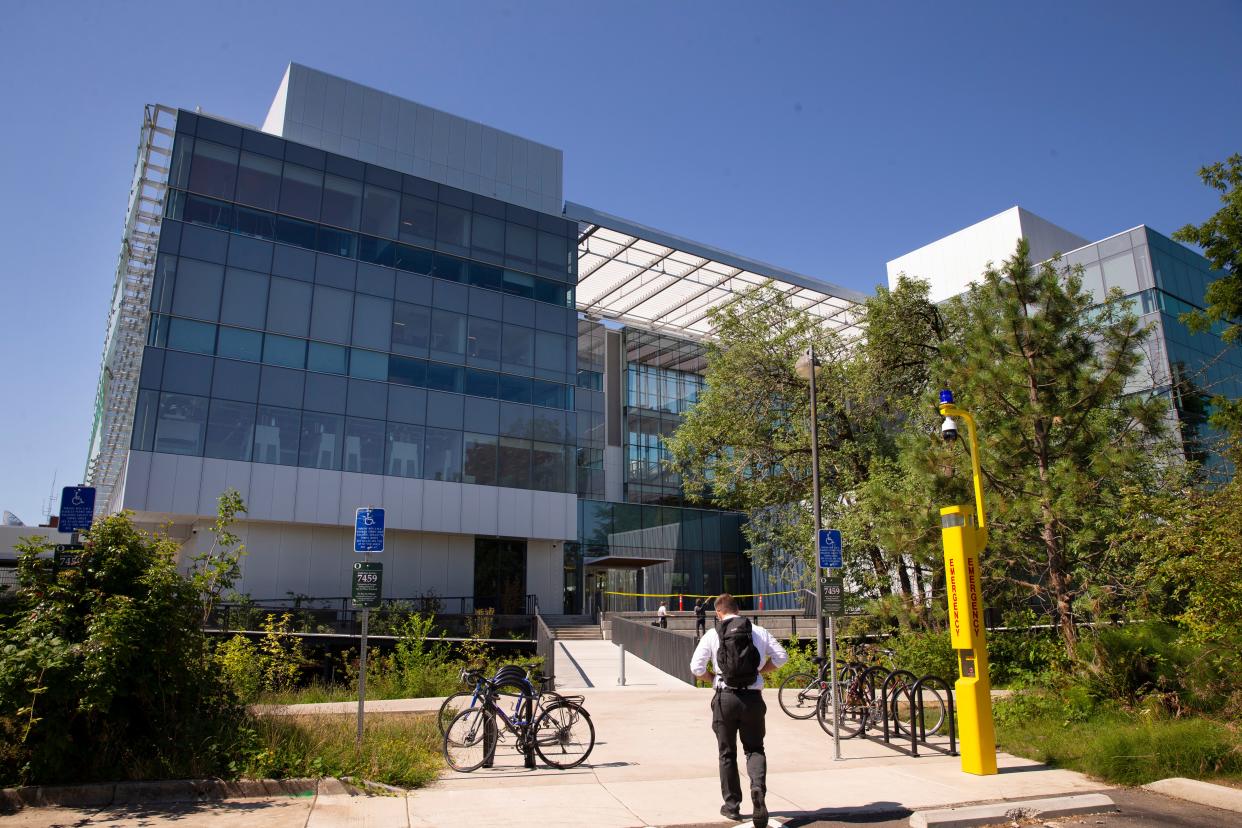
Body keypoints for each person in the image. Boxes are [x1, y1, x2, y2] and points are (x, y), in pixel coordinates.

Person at [689, 593, 787, 828]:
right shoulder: (758, 631)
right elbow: (782, 657)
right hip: (752, 698)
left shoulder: (714, 634)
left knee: (727, 753)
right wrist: (760, 672)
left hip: (726, 698)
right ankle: (757, 787)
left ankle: (732, 806)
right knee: (755, 748)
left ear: (718, 612)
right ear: (738, 609)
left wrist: (713, 678)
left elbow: (696, 667)